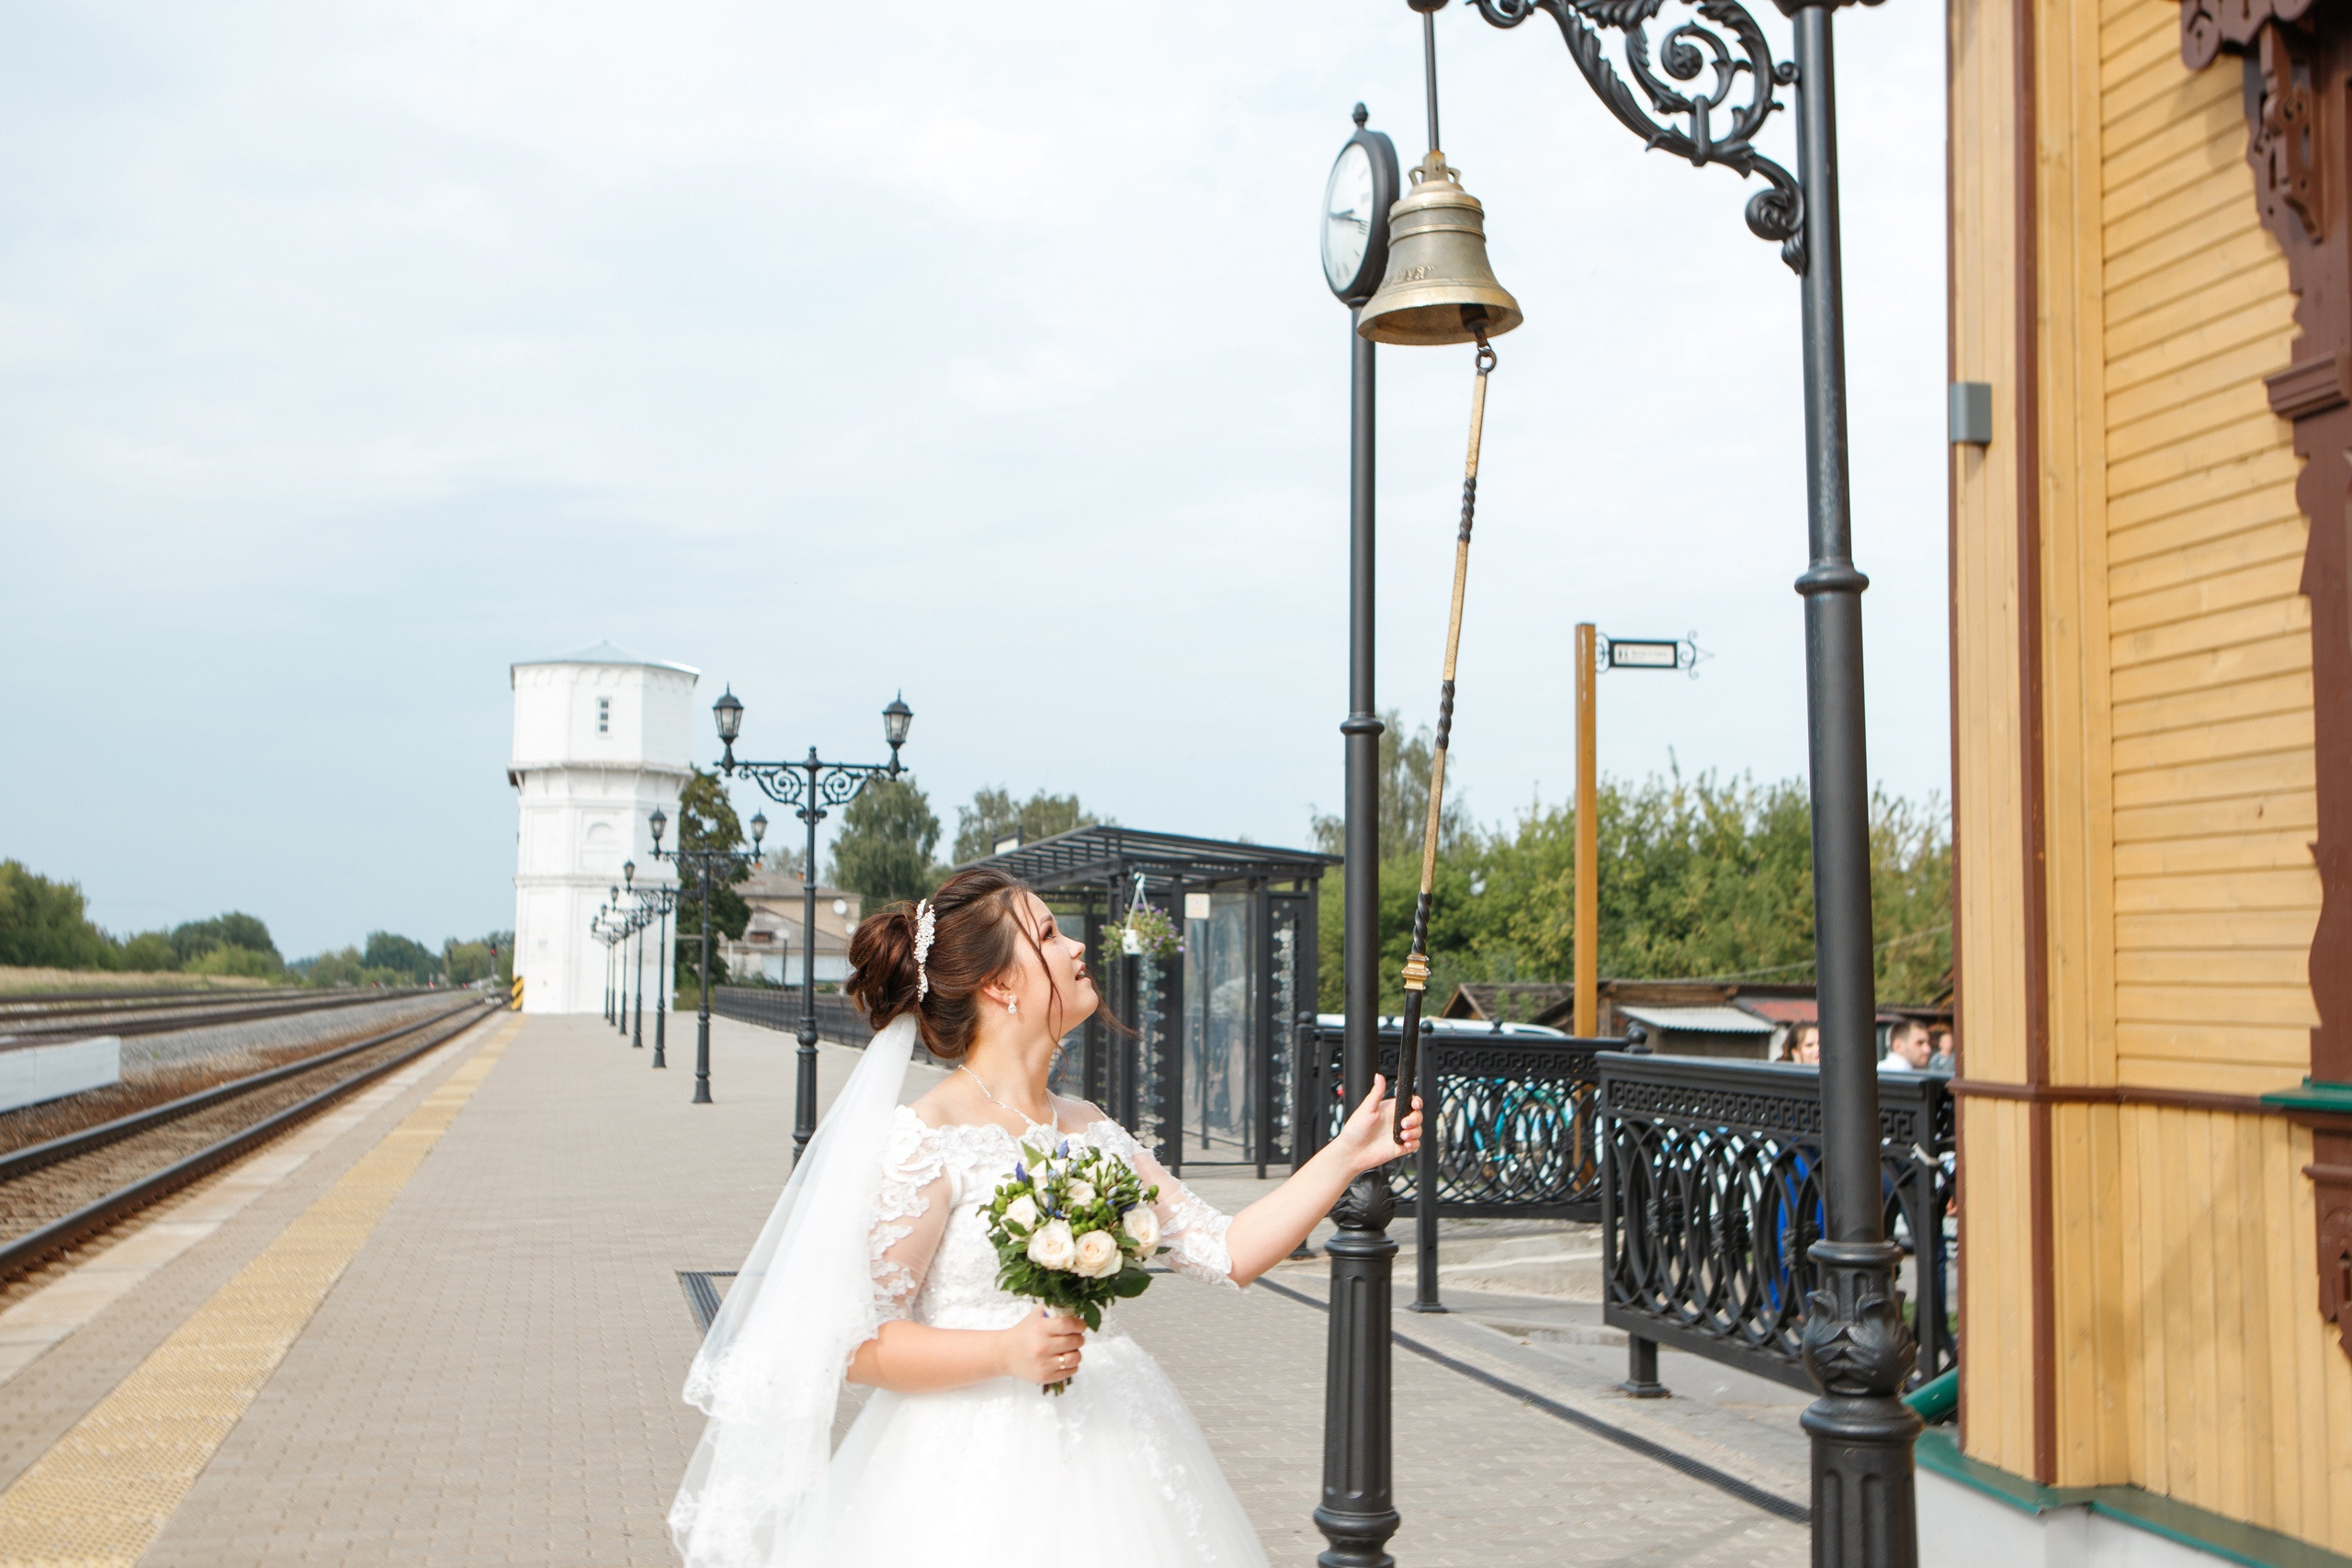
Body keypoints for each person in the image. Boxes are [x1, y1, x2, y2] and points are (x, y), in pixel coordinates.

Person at [669, 866, 1423, 1568]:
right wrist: (1003, 1351)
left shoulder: (1090, 1125)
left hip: (1111, 1442)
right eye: (1051, 934)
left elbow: (1229, 1251)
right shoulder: (926, 1137)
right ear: (1002, 984)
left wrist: (1348, 1154)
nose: (1078, 945)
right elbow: (858, 1344)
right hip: (960, 1478)